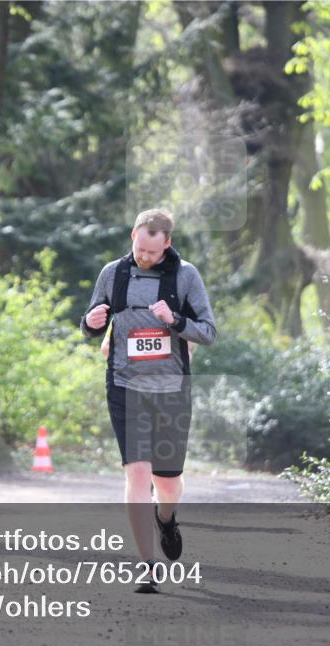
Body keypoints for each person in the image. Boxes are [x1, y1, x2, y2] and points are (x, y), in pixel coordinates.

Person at [81, 208, 217, 593]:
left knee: (167, 482)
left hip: (171, 391)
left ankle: (167, 517)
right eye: (139, 248)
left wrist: (174, 320)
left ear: (167, 244)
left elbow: (208, 331)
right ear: (133, 237)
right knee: (137, 474)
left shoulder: (185, 276)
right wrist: (91, 323)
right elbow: (90, 320)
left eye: (152, 253)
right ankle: (145, 565)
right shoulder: (114, 273)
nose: (144, 257)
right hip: (125, 386)